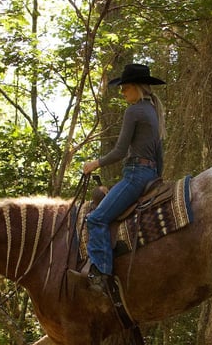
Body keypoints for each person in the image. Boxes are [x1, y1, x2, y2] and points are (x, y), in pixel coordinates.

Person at [69, 63, 167, 295]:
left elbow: (121, 151)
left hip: (135, 174)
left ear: (136, 88)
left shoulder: (133, 111)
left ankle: (101, 275)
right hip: (150, 174)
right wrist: (158, 177)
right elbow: (160, 153)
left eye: (125, 87)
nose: (122, 92)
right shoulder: (153, 111)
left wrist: (94, 164)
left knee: (96, 219)